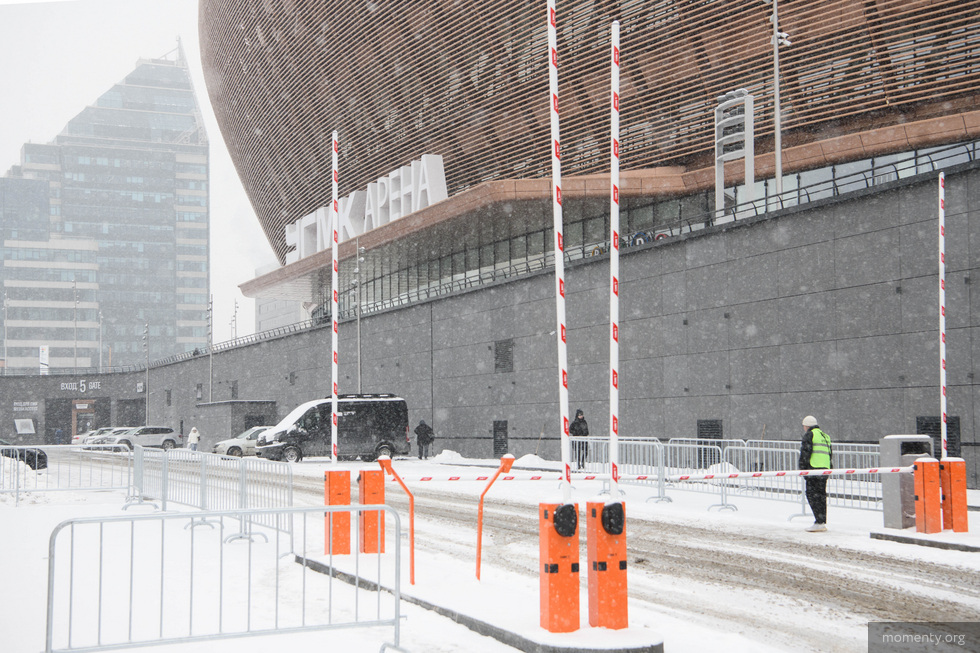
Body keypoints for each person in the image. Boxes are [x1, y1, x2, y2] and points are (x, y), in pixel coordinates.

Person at [799, 415, 832, 532]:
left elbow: (805, 452)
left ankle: (818, 521)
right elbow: (830, 454)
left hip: (813, 469)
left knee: (812, 495)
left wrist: (803, 468)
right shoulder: (825, 436)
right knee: (821, 496)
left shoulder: (810, 435)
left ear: (806, 426)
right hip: (824, 470)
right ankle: (821, 521)